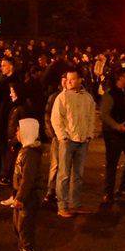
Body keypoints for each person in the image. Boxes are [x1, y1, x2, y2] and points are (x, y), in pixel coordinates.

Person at [48, 69, 98, 217]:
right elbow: (56, 119)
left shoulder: (88, 98)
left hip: (83, 140)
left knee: (78, 174)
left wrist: (89, 135)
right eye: (68, 79)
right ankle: (62, 206)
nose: (69, 82)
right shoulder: (62, 97)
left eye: (72, 79)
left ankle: (74, 203)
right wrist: (63, 137)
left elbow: (91, 117)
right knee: (64, 174)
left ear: (80, 80)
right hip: (68, 141)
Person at [2, 118, 46, 251]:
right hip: (21, 196)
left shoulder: (31, 154)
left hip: (29, 197)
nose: (17, 132)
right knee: (18, 227)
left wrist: (20, 197)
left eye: (19, 129)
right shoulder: (24, 150)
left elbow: (28, 179)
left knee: (25, 228)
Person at [99, 69, 125, 206]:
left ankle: (123, 189)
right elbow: (104, 115)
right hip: (113, 133)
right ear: (120, 78)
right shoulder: (110, 95)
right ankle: (107, 193)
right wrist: (117, 126)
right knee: (112, 163)